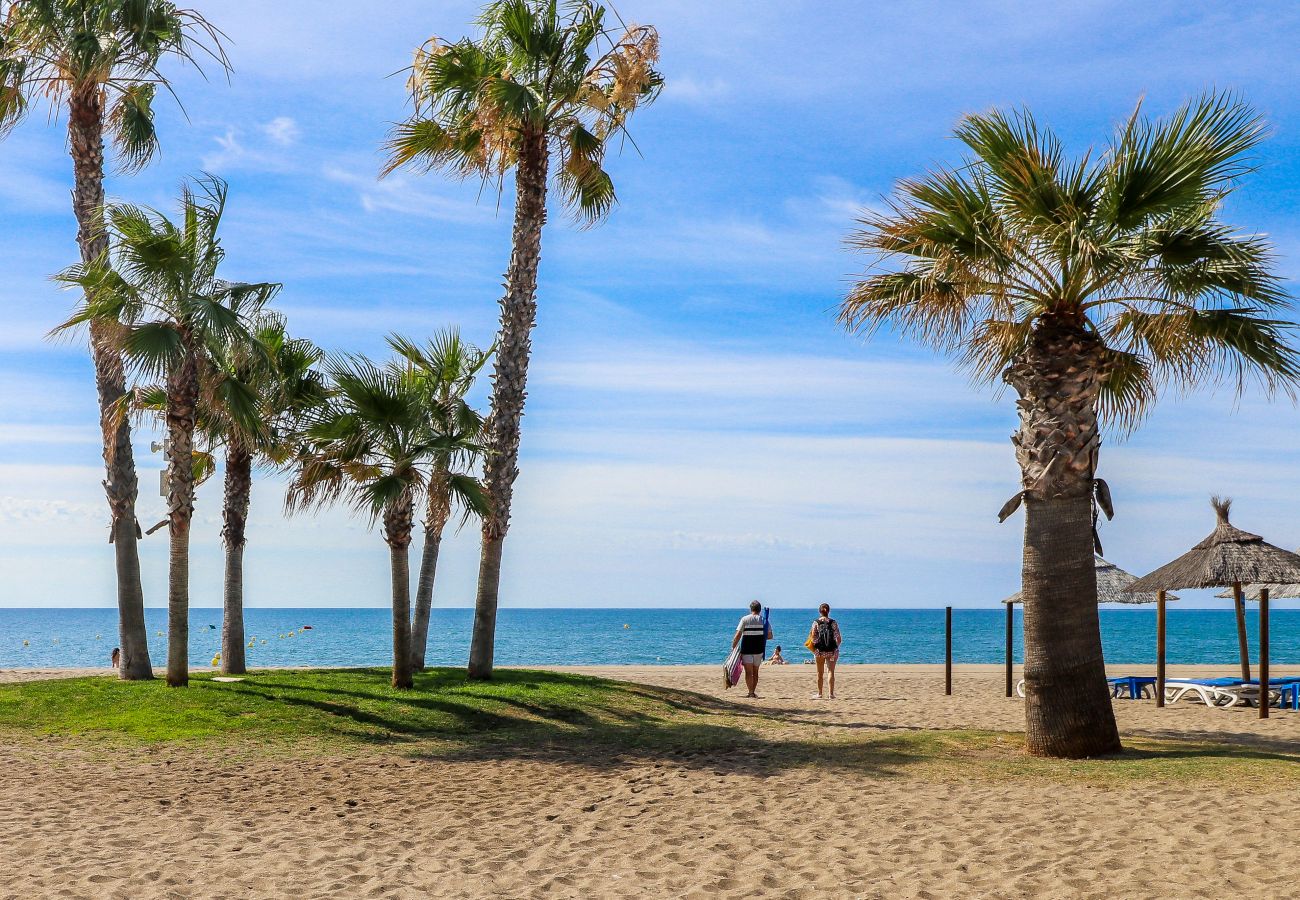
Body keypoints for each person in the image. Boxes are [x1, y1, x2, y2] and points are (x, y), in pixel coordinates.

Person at [731, 600, 772, 698]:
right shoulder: (764, 620)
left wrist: (733, 647)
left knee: (748, 673)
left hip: (747, 650)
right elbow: (770, 636)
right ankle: (753, 691)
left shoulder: (745, 619)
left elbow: (738, 635)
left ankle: (750, 692)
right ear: (760, 610)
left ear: (750, 609)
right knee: (755, 672)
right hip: (759, 649)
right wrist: (759, 635)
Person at [806, 603, 841, 699]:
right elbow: (839, 639)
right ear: (828, 611)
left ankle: (820, 693)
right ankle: (831, 694)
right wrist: (835, 648)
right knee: (830, 671)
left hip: (819, 651)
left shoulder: (816, 622)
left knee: (819, 673)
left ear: (819, 611)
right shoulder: (833, 622)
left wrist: (816, 647)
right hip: (832, 651)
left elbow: (813, 638)